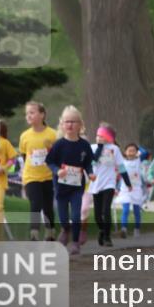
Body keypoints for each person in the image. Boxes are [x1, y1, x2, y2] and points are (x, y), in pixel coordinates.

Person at [45, 105, 96, 256]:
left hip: (76, 187)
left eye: (73, 122)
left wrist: (91, 173)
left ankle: (75, 242)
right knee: (63, 217)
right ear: (62, 124)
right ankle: (65, 229)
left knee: (75, 215)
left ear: (80, 125)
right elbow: (50, 162)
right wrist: (57, 171)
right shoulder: (59, 144)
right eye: (67, 121)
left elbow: (87, 163)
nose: (70, 125)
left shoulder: (84, 145)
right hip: (60, 188)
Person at [19, 101, 58, 240]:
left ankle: (50, 231)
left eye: (32, 112)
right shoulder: (24, 136)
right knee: (35, 203)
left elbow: (58, 155)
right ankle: (34, 233)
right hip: (31, 176)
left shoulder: (53, 134)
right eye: (27, 113)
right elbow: (24, 156)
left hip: (48, 176)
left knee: (48, 206)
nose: (28, 116)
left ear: (42, 114)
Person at [90, 123, 130, 246]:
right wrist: (100, 147)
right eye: (97, 136)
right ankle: (102, 230)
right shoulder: (92, 147)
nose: (98, 138)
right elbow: (93, 162)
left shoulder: (114, 149)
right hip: (95, 184)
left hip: (109, 183)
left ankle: (107, 237)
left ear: (108, 137)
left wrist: (127, 182)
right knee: (97, 216)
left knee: (106, 210)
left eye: (101, 136)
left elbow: (121, 167)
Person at [117, 142, 145, 238]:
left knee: (137, 211)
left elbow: (144, 152)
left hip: (137, 188)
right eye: (129, 150)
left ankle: (137, 229)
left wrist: (138, 148)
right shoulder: (122, 162)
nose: (131, 152)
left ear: (136, 152)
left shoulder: (139, 160)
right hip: (126, 189)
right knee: (126, 210)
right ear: (125, 152)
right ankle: (124, 229)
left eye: (133, 151)